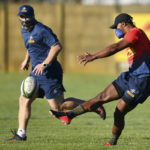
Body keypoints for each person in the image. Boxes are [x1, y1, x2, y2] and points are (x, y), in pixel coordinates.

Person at [7, 5, 105, 141]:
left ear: (32, 16)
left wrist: (45, 64)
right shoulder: (24, 30)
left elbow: (57, 46)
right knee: (23, 99)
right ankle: (21, 134)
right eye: (21, 17)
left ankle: (94, 105)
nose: (24, 20)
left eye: (26, 17)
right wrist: (26, 60)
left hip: (50, 72)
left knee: (59, 106)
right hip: (35, 72)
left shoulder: (41, 30)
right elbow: (30, 46)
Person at [50, 13, 150, 146]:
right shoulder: (132, 35)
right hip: (130, 76)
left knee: (119, 112)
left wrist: (94, 56)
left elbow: (114, 48)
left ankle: (112, 142)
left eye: (117, 26)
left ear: (124, 24)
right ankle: (68, 116)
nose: (116, 30)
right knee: (100, 97)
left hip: (142, 80)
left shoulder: (135, 32)